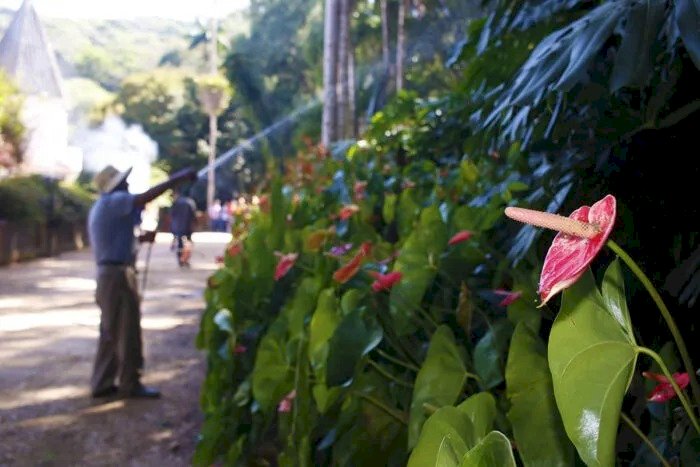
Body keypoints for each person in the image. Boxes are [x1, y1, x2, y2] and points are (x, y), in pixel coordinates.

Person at [88, 164, 196, 399]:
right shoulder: (114, 200)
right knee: (127, 331)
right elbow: (145, 197)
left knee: (110, 331)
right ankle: (130, 383)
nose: (127, 185)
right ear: (115, 185)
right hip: (117, 275)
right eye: (124, 181)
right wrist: (177, 178)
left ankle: (102, 382)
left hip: (108, 274)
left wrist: (139, 239)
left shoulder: (103, 206)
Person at [170, 188, 197, 267]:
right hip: (188, 225)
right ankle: (186, 259)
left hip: (178, 225)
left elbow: (172, 215)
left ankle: (180, 260)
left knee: (180, 244)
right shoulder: (190, 202)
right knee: (188, 243)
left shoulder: (176, 202)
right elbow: (193, 215)